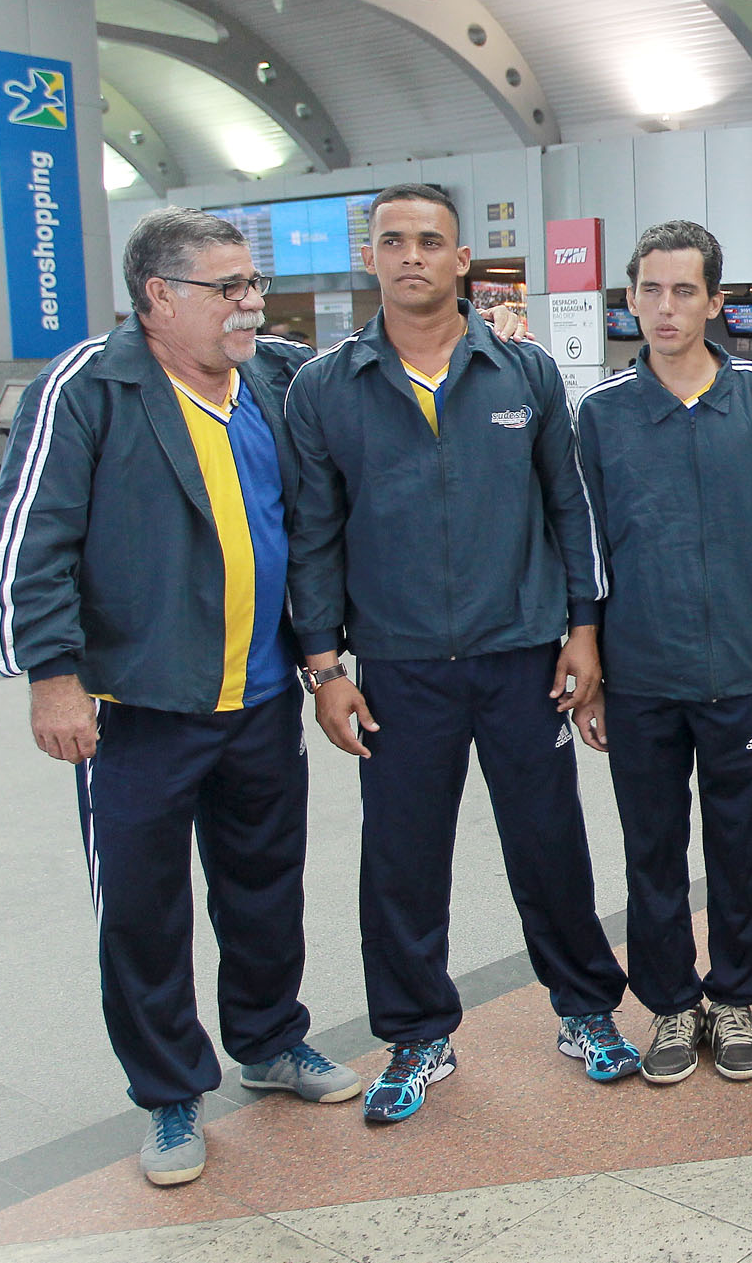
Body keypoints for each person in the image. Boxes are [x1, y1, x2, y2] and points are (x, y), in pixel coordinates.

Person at [0, 207, 359, 1188]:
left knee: (265, 888)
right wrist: (54, 679)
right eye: (227, 287)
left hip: (260, 697)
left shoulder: (272, 378)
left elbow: (310, 523)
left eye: (252, 284)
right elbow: (32, 540)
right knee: (144, 913)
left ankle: (271, 1042)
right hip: (134, 707)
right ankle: (166, 1094)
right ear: (158, 296)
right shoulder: (91, 386)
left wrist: (321, 666)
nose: (250, 303)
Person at [287, 183, 634, 1123]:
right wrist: (324, 668)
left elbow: (571, 509)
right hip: (396, 668)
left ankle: (586, 1010)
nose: (411, 256)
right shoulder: (325, 387)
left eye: (430, 241)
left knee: (550, 843)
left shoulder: (522, 373)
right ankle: (416, 1035)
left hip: (523, 656)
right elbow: (313, 537)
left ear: (462, 260)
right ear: (372, 257)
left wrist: (583, 628)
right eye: (393, 240)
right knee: (400, 858)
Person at [573, 220, 752, 1085]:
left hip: (740, 674)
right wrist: (588, 656)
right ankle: (671, 1004)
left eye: (684, 291)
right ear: (630, 298)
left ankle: (736, 996)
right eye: (649, 290)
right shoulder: (600, 414)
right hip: (639, 678)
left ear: (716, 300)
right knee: (652, 848)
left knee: (742, 845)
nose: (665, 309)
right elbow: (584, 547)